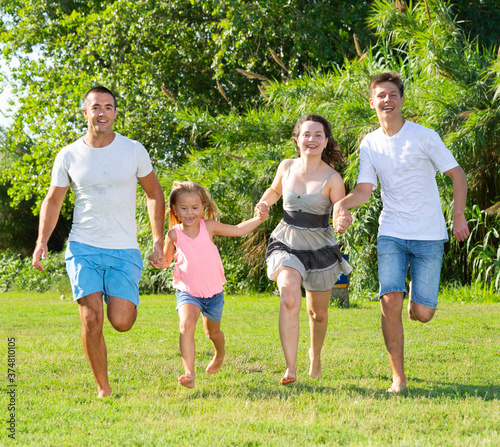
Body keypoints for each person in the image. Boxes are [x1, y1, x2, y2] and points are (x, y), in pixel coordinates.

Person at [333, 72, 470, 393]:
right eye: (381, 95)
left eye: (393, 94)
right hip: (391, 231)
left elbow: (457, 175)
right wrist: (342, 205)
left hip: (429, 233)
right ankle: (399, 377)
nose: (387, 100)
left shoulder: (425, 136)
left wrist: (458, 216)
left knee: (423, 314)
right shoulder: (370, 143)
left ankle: (415, 300)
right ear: (372, 102)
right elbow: (365, 190)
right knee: (389, 300)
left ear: (402, 100)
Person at [32, 86, 165, 398]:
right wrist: (42, 241)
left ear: (116, 113)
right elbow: (53, 201)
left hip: (123, 248)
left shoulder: (133, 150)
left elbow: (154, 194)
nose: (102, 113)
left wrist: (158, 239)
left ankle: (116, 299)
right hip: (83, 246)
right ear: (85, 113)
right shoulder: (68, 155)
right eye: (96, 107)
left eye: (108, 107)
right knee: (91, 316)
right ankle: (103, 387)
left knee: (121, 321)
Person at [254, 114, 353, 385]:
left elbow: (338, 209)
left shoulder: (333, 178)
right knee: (288, 296)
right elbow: (274, 191)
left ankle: (315, 356)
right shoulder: (286, 166)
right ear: (297, 140)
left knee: (317, 313)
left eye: (318, 135)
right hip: (287, 240)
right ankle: (290, 367)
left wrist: (342, 220)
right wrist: (264, 203)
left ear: (325, 142)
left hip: (319, 246)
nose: (311, 139)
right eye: (306, 134)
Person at [148, 181, 268, 389]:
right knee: (186, 325)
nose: (189, 212)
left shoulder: (209, 227)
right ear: (175, 209)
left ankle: (219, 354)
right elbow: (166, 261)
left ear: (203, 207)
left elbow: (238, 230)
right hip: (188, 291)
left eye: (195, 208)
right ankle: (189, 373)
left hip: (213, 293)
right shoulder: (173, 234)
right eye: (184, 208)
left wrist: (259, 219)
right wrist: (158, 261)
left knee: (213, 333)